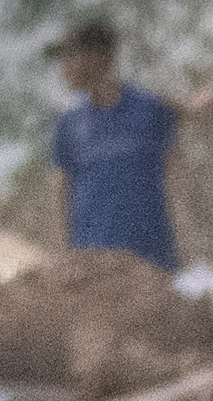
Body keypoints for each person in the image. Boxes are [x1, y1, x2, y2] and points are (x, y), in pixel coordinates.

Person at [40, 21, 187, 267]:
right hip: (93, 271)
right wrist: (62, 262)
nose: (64, 68)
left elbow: (176, 188)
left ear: (97, 57)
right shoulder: (68, 125)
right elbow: (61, 199)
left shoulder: (151, 110)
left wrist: (194, 259)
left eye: (70, 57)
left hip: (152, 265)